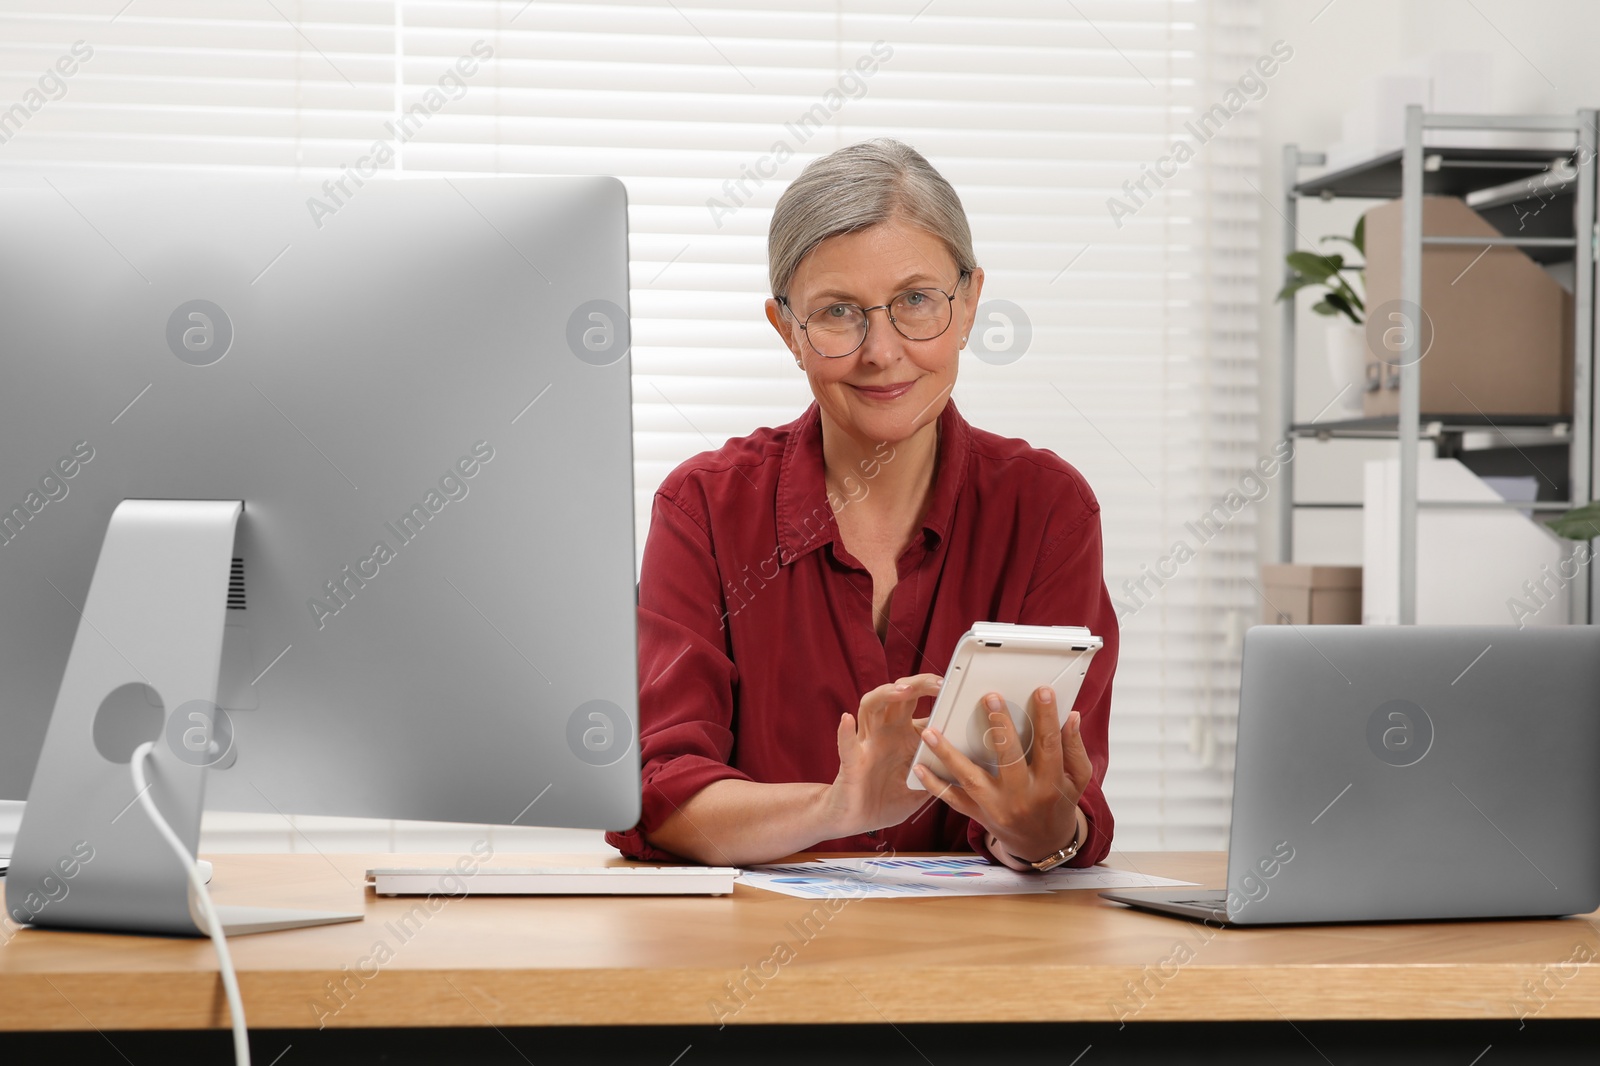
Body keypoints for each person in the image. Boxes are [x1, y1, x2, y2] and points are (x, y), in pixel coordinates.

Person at [606, 139, 1118, 871]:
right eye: (839, 312)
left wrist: (1043, 832)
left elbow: (1067, 807)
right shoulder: (704, 509)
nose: (882, 351)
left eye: (916, 301)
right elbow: (664, 798)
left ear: (969, 304)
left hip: (983, 969)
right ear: (788, 330)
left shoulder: (1046, 511)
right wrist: (839, 808)